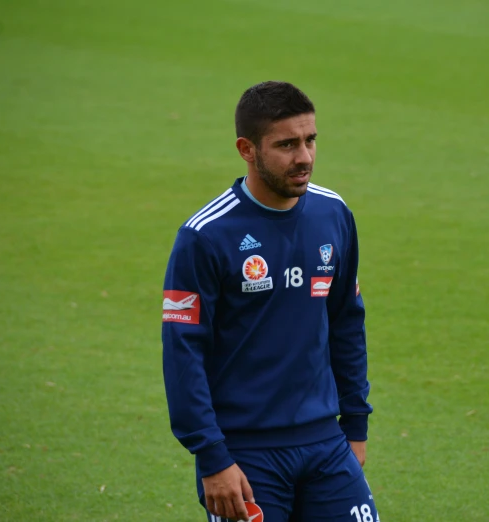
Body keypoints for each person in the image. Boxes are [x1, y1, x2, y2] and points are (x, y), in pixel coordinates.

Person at [161, 81, 378, 522]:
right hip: (245, 454)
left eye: (310, 139)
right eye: (286, 144)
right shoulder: (205, 236)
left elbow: (346, 324)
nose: (305, 157)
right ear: (247, 148)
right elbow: (183, 352)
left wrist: (355, 424)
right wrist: (212, 456)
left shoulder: (333, 214)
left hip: (325, 443)